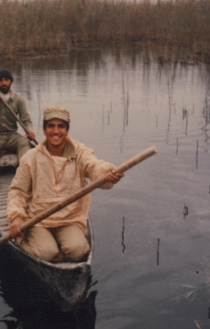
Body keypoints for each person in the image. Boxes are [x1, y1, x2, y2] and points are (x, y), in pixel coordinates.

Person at [7, 106, 123, 263]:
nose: (56, 131)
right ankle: (23, 241)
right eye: (51, 126)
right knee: (47, 253)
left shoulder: (80, 152)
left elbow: (93, 166)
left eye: (61, 126)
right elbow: (17, 191)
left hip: (69, 218)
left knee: (78, 252)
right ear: (44, 129)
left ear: (67, 130)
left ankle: (56, 251)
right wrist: (16, 216)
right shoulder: (30, 157)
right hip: (38, 219)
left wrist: (107, 173)